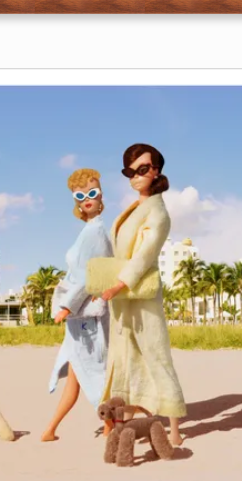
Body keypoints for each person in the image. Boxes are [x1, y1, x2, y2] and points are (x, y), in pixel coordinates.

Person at [98, 143, 187, 446]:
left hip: (140, 292)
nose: (136, 176)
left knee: (155, 353)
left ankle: (174, 428)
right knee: (124, 356)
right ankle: (127, 420)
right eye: (130, 171)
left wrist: (118, 284)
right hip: (122, 296)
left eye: (143, 169)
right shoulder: (134, 207)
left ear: (156, 170)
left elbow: (144, 256)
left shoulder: (158, 211)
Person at [41, 168, 113, 442]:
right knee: (78, 373)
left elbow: (88, 275)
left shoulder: (96, 231)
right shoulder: (89, 230)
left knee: (94, 373)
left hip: (85, 318)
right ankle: (51, 429)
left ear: (101, 194)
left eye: (92, 193)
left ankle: (110, 425)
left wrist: (67, 307)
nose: (87, 199)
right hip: (80, 318)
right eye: (81, 195)